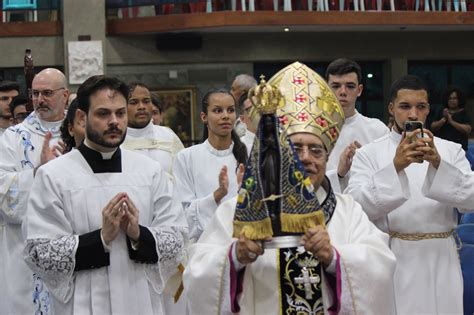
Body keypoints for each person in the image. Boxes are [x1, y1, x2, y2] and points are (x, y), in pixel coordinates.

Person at [184, 62, 396, 315]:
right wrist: (234, 257)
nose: (306, 157)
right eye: (295, 148)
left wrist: (334, 257)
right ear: (277, 154)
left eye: (316, 149)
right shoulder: (237, 212)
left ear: (327, 158)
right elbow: (197, 274)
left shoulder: (347, 211)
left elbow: (380, 267)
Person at [23, 75, 188, 314]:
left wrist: (138, 234)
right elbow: (41, 252)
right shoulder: (53, 176)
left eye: (120, 113)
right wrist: (100, 239)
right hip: (82, 300)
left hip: (139, 298)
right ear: (82, 117)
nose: (114, 121)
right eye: (103, 114)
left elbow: (177, 240)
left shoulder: (150, 172)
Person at [346, 75, 473, 314]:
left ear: (428, 110)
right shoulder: (369, 154)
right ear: (392, 109)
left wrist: (439, 165)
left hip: (442, 255)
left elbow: (471, 200)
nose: (413, 114)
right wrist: (395, 167)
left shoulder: (450, 150)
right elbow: (357, 206)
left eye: (421, 107)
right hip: (394, 255)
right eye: (405, 106)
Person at [0, 68, 69, 314]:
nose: (40, 100)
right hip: (24, 249)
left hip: (72, 242)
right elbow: (2, 192)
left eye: (47, 93)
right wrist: (38, 173)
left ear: (65, 95)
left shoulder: (81, 131)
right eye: (35, 93)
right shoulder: (13, 137)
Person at [174, 89, 247, 243]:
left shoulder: (249, 155)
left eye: (230, 110)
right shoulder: (186, 157)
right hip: (203, 247)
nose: (225, 116)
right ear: (204, 117)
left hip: (242, 244)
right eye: (217, 110)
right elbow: (182, 217)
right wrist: (217, 195)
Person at [325, 58, 389, 192]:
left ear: (359, 90)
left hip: (366, 210)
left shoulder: (378, 130)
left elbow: (387, 182)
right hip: (326, 209)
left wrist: (365, 162)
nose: (343, 92)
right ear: (326, 90)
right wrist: (338, 174)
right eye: (336, 86)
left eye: (350, 86)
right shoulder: (312, 132)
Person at [121, 82, 184, 178]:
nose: (141, 106)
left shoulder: (168, 135)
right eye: (133, 102)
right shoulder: (117, 140)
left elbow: (185, 175)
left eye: (146, 101)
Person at [430, 86, 472, 151]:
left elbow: (467, 130)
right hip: (444, 147)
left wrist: (451, 121)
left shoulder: (463, 112)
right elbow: (432, 127)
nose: (452, 101)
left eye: (454, 98)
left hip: (460, 148)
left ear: (459, 99)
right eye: (450, 98)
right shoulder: (442, 111)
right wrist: (443, 119)